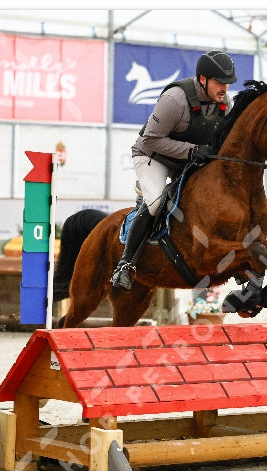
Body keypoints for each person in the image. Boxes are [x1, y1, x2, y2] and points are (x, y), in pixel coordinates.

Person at [111, 50, 238, 291]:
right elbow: (150, 139)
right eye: (220, 82)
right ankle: (125, 265)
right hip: (152, 156)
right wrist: (192, 151)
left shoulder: (225, 103)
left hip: (184, 160)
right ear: (203, 79)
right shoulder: (175, 99)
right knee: (157, 203)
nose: (225, 88)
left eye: (227, 83)